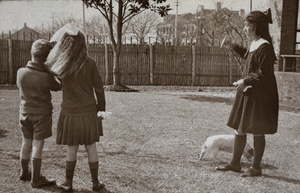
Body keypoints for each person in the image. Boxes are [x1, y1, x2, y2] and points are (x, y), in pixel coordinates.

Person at [216, 9, 279, 177]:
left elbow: (264, 74)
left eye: (246, 25)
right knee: (240, 128)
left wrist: (245, 81)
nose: (244, 28)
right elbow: (246, 56)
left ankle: (255, 168)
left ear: (254, 26)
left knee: (257, 130)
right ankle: (235, 164)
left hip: (260, 95)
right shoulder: (255, 44)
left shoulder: (264, 46)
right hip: (249, 91)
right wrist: (232, 45)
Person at [45, 24, 106, 192]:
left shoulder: (62, 64)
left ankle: (68, 183)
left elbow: (55, 84)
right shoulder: (90, 63)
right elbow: (99, 89)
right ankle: (95, 183)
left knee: (71, 148)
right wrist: (101, 112)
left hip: (70, 113)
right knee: (91, 146)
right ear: (83, 43)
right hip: (88, 113)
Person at [17, 39, 61, 188]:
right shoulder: (46, 76)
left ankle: (24, 173)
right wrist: (51, 70)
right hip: (41, 116)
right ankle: (36, 179)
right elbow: (58, 86)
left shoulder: (20, 72)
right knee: (38, 145)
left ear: (32, 53)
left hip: (24, 114)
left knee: (26, 142)